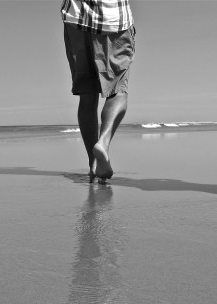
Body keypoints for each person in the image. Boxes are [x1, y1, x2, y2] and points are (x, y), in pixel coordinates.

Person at [62, 0, 136, 183]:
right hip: (113, 20)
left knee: (87, 95)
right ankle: (102, 143)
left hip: (76, 20)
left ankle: (93, 164)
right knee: (118, 90)